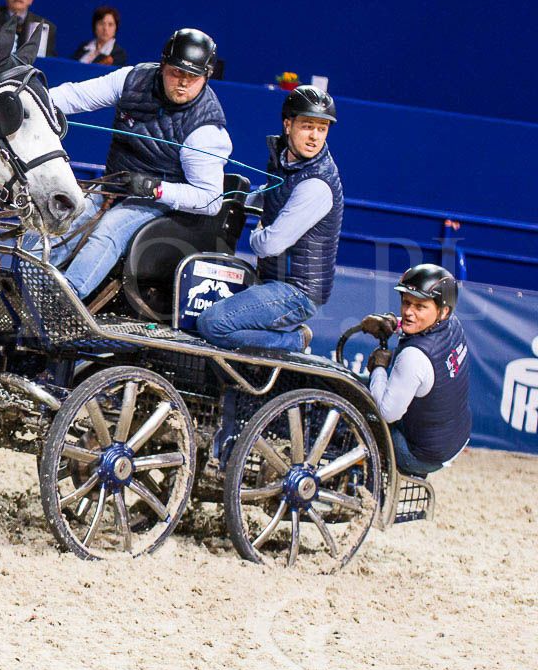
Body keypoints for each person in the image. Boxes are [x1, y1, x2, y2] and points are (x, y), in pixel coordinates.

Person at [40, 29, 231, 300]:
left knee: (110, 229)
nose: (183, 83)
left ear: (207, 76)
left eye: (193, 77)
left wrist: (156, 189)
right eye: (176, 72)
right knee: (67, 213)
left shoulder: (205, 131)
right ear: (163, 65)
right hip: (116, 183)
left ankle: (63, 299)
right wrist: (31, 101)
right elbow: (76, 96)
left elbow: (210, 200)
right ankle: (26, 275)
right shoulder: (132, 80)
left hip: (163, 203)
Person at [197, 87, 341, 353]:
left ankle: (294, 341)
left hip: (297, 293)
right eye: (307, 126)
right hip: (274, 280)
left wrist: (258, 231)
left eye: (322, 129)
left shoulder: (316, 185)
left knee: (213, 324)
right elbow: (274, 193)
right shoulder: (284, 160)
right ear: (288, 125)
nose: (314, 136)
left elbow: (268, 245)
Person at [361, 264, 472, 475]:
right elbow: (423, 329)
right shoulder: (452, 323)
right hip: (454, 438)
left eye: (420, 307)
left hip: (419, 456)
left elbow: (386, 413)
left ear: (443, 311)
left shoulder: (414, 357)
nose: (408, 312)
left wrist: (379, 367)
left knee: (356, 409)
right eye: (406, 302)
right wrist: (394, 323)